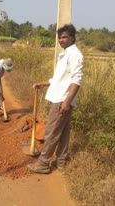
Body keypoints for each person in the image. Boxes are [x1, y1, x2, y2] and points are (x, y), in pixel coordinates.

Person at [27, 24, 84, 174]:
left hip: (62, 101)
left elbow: (76, 80)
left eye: (64, 37)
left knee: (51, 132)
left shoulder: (75, 55)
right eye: (59, 37)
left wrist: (66, 101)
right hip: (61, 99)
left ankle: (43, 163)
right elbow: (60, 79)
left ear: (72, 38)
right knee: (64, 132)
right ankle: (61, 162)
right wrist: (43, 84)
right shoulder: (66, 54)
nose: (61, 40)